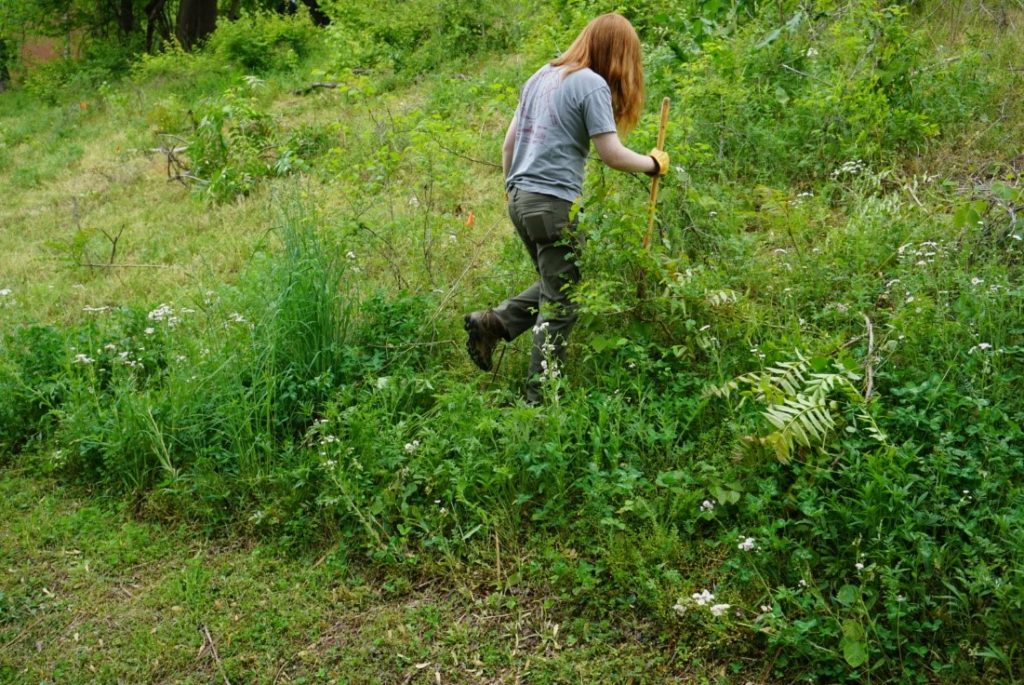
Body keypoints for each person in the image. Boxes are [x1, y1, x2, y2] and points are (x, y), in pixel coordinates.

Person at [464, 13, 669, 403]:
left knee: (557, 284)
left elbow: (508, 145)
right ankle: (538, 398)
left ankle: (493, 323)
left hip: (520, 199)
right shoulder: (590, 84)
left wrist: (513, 192)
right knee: (562, 301)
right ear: (617, 53)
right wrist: (653, 163)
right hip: (552, 203)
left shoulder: (542, 74)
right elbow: (611, 154)